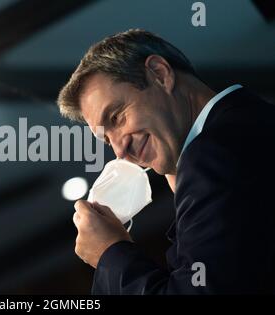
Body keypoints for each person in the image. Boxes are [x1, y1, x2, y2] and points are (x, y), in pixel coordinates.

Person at [57, 29, 275, 294]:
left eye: (116, 117)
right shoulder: (249, 123)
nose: (119, 151)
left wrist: (109, 253)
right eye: (107, 140)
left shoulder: (211, 154)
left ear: (160, 74)